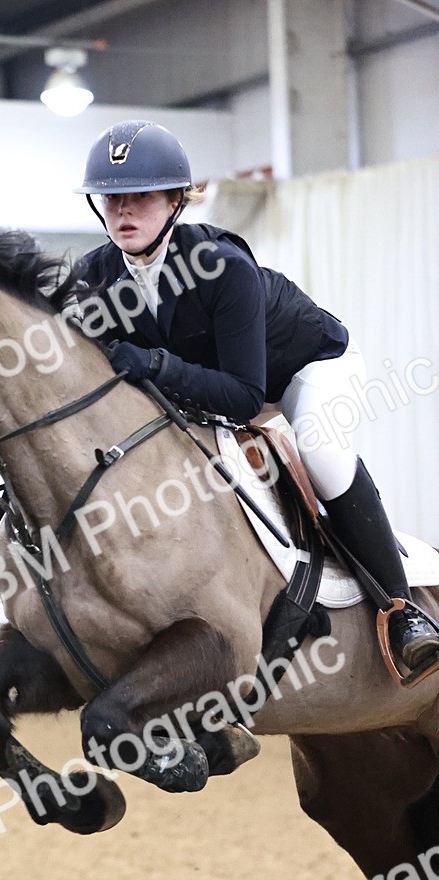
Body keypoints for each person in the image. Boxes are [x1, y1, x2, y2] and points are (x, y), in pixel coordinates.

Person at [74, 119, 439, 675]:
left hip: (302, 369)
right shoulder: (94, 277)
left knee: (319, 448)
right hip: (213, 387)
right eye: (112, 198)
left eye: (141, 196)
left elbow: (246, 398)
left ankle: (403, 608)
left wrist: (154, 364)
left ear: (176, 200)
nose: (124, 211)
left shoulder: (223, 267)